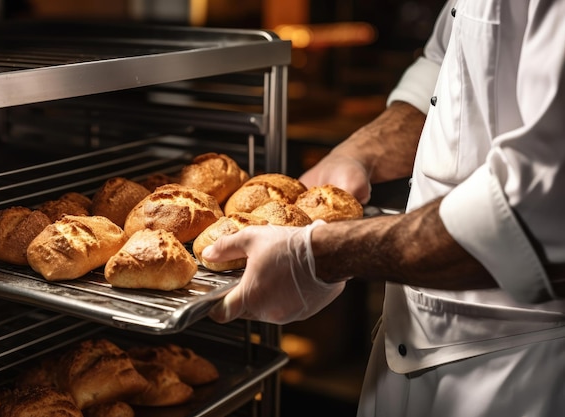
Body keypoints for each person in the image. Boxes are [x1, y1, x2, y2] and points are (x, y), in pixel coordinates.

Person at [201, 1, 565, 416]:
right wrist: (361, 152)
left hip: (519, 365)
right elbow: (448, 66)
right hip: (408, 338)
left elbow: (533, 214)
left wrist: (319, 255)